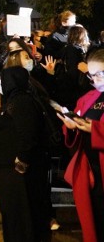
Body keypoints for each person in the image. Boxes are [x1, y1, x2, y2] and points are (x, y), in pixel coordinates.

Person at [0, 67, 51, 242]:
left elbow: (27, 133)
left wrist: (22, 161)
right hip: (9, 174)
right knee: (16, 219)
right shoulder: (16, 100)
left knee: (22, 220)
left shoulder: (21, 101)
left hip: (18, 175)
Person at [57, 48, 104, 242]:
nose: (95, 80)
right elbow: (76, 130)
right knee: (94, 221)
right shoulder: (87, 98)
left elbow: (94, 127)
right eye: (91, 75)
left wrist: (93, 128)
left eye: (100, 74)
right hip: (91, 170)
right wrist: (71, 126)